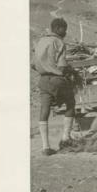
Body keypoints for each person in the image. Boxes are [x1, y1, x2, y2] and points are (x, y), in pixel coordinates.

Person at [32, 18, 76, 156]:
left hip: (43, 80)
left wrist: (45, 67)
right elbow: (62, 66)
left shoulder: (40, 41)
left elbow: (33, 64)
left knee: (44, 110)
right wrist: (69, 71)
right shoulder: (58, 42)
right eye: (64, 29)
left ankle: (45, 147)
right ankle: (65, 138)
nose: (65, 32)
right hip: (57, 79)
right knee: (71, 103)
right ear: (57, 28)